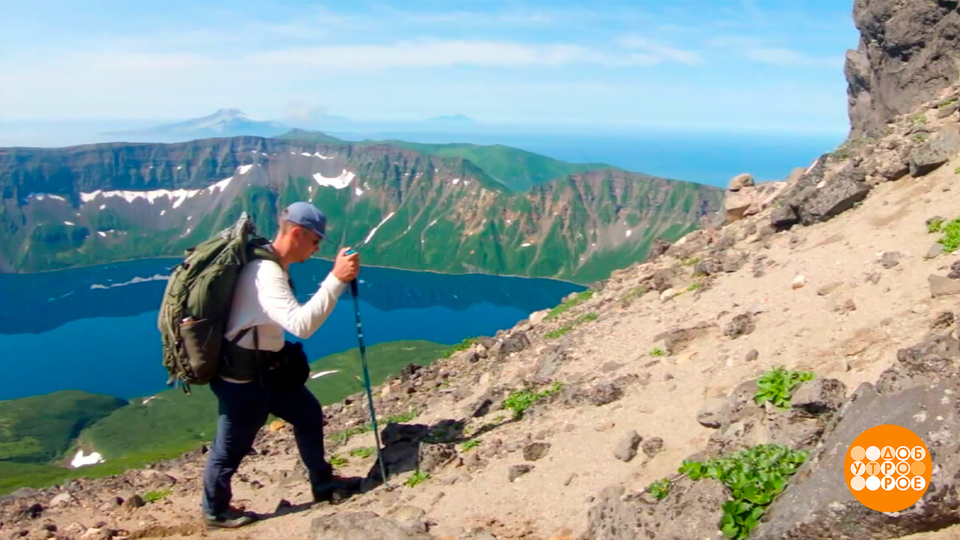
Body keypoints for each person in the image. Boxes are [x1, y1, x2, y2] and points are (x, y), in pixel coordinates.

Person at [201, 201, 362, 528]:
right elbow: (300, 325)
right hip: (242, 379)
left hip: (267, 371)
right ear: (298, 233)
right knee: (230, 448)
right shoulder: (266, 272)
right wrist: (335, 280)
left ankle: (322, 482)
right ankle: (215, 511)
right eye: (316, 241)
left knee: (307, 413)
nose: (317, 248)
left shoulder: (270, 263)